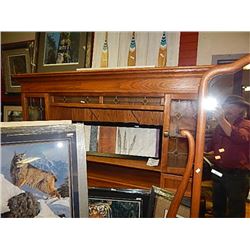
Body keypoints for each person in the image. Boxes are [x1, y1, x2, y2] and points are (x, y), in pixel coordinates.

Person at [208, 95, 250, 218]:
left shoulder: (246, 124)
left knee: (235, 210)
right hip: (218, 171)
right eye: (226, 106)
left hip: (237, 174)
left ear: (241, 109)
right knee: (217, 205)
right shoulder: (219, 126)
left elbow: (241, 137)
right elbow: (210, 146)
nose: (227, 109)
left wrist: (221, 119)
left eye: (232, 106)